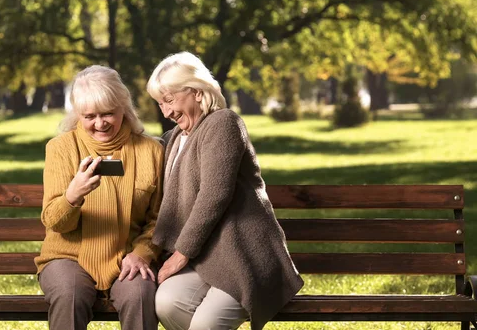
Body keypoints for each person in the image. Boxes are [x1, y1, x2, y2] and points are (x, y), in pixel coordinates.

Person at [147, 52, 304, 330]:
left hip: (243, 256)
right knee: (167, 302)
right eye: (160, 104)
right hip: (205, 259)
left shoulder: (223, 123)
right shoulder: (174, 140)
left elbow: (214, 195)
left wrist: (180, 256)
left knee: (205, 325)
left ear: (196, 92)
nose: (167, 112)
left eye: (169, 100)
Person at [35, 65, 164, 330]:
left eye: (108, 113)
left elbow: (160, 218)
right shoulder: (61, 148)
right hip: (67, 257)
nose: (100, 123)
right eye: (90, 116)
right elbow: (55, 223)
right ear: (78, 115)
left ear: (123, 108)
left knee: (140, 294)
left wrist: (143, 252)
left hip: (128, 255)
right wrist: (73, 195)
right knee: (69, 295)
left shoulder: (151, 150)